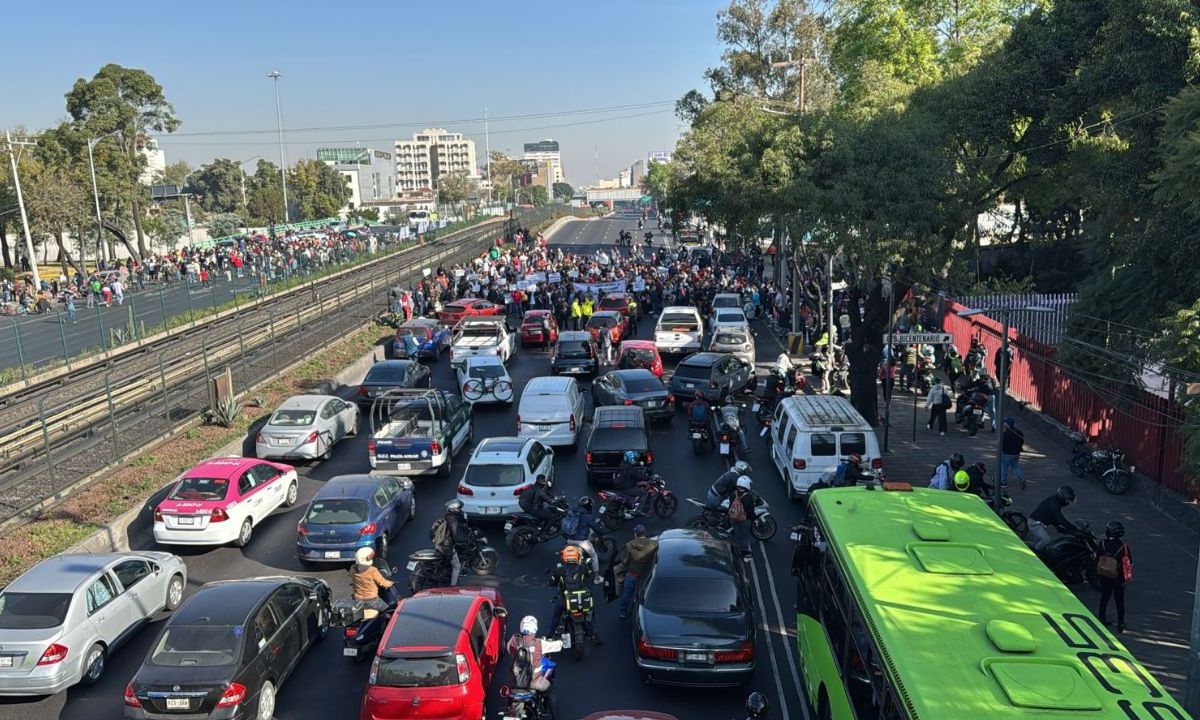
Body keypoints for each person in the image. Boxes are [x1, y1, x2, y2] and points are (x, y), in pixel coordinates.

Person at [506, 616, 562, 715]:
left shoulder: (513, 641)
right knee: (551, 694)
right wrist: (561, 641)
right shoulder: (539, 644)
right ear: (534, 628)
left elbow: (508, 649)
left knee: (510, 694)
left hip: (514, 682)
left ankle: (510, 709)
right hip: (533, 682)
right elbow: (557, 646)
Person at [548, 545, 603, 644]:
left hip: (564, 600)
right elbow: (589, 574)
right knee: (590, 613)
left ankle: (550, 636)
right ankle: (595, 634)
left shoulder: (559, 570)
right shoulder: (582, 568)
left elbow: (551, 582)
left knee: (556, 616)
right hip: (581, 599)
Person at [1096, 521, 1131, 633]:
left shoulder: (1102, 544)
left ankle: (1101, 618)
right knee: (1119, 600)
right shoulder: (1123, 546)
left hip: (1104, 576)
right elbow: (1129, 562)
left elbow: (1097, 557)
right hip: (1118, 577)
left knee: (1104, 597)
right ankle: (1121, 624)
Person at [617, 524, 658, 619]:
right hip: (646, 575)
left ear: (635, 534)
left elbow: (625, 561)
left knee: (627, 594)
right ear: (645, 533)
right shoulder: (653, 544)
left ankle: (623, 612)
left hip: (632, 574)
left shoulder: (629, 545)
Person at [561, 497, 607, 579]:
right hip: (581, 541)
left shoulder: (572, 511)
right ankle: (597, 577)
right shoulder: (587, 516)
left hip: (568, 539)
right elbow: (596, 528)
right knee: (594, 556)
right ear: (589, 506)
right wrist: (602, 531)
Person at [433, 500, 470, 586]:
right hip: (446, 546)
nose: (460, 510)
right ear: (455, 510)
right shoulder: (452, 521)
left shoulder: (446, 517)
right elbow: (456, 536)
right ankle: (453, 586)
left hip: (439, 543)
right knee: (457, 566)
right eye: (459, 508)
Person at [1029, 485, 1077, 550]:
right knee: (1046, 540)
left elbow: (1052, 516)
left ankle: (1034, 550)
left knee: (1038, 542)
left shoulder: (1056, 501)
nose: (1068, 501)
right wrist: (1072, 528)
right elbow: (1060, 518)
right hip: (1034, 523)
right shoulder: (1054, 503)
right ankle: (1034, 555)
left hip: (1039, 523)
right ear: (1062, 497)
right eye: (1067, 499)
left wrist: (1057, 527)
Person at [349, 547, 395, 612]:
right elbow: (382, 582)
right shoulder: (372, 570)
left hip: (357, 600)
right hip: (372, 600)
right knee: (390, 611)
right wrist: (391, 583)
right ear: (366, 559)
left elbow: (353, 577)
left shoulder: (353, 568)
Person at [729, 476, 757, 559]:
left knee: (737, 534)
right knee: (744, 536)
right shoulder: (748, 498)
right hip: (744, 520)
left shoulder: (733, 494)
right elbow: (750, 512)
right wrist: (753, 518)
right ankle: (745, 552)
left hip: (733, 518)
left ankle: (737, 548)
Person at [1000, 417, 1026, 489]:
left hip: (1007, 453)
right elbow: (1022, 441)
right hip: (1016, 453)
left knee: (1004, 467)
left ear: (1007, 424)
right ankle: (1021, 479)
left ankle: (1003, 482)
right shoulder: (1019, 432)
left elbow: (1002, 444)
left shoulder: (1005, 434)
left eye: (1005, 423)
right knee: (1015, 466)